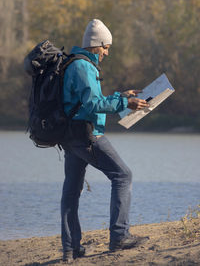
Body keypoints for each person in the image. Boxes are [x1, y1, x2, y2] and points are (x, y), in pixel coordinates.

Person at [60, 19, 149, 262]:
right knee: (123, 175)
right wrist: (124, 103)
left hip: (70, 136)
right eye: (106, 47)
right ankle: (119, 237)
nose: (107, 53)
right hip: (88, 135)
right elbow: (91, 105)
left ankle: (70, 249)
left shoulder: (74, 63)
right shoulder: (84, 67)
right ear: (96, 45)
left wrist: (120, 95)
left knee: (71, 190)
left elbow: (87, 100)